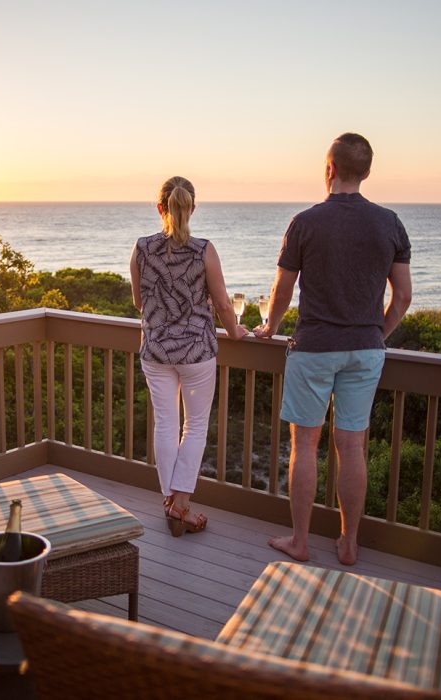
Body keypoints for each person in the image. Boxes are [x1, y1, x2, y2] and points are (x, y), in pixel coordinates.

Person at [253, 133, 412, 565]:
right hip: (366, 348)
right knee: (352, 444)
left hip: (315, 347)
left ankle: (300, 542)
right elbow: (402, 297)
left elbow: (282, 291)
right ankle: (348, 543)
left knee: (305, 445)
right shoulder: (390, 223)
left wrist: (270, 325)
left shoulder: (305, 222)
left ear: (330, 169)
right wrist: (377, 333)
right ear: (366, 172)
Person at [130, 176, 247, 537]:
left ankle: (171, 503)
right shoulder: (203, 250)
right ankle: (180, 505)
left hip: (156, 350)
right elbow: (224, 303)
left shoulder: (141, 248)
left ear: (159, 207)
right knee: (194, 426)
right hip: (196, 351)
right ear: (192, 207)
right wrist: (236, 330)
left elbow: (138, 302)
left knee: (165, 423)